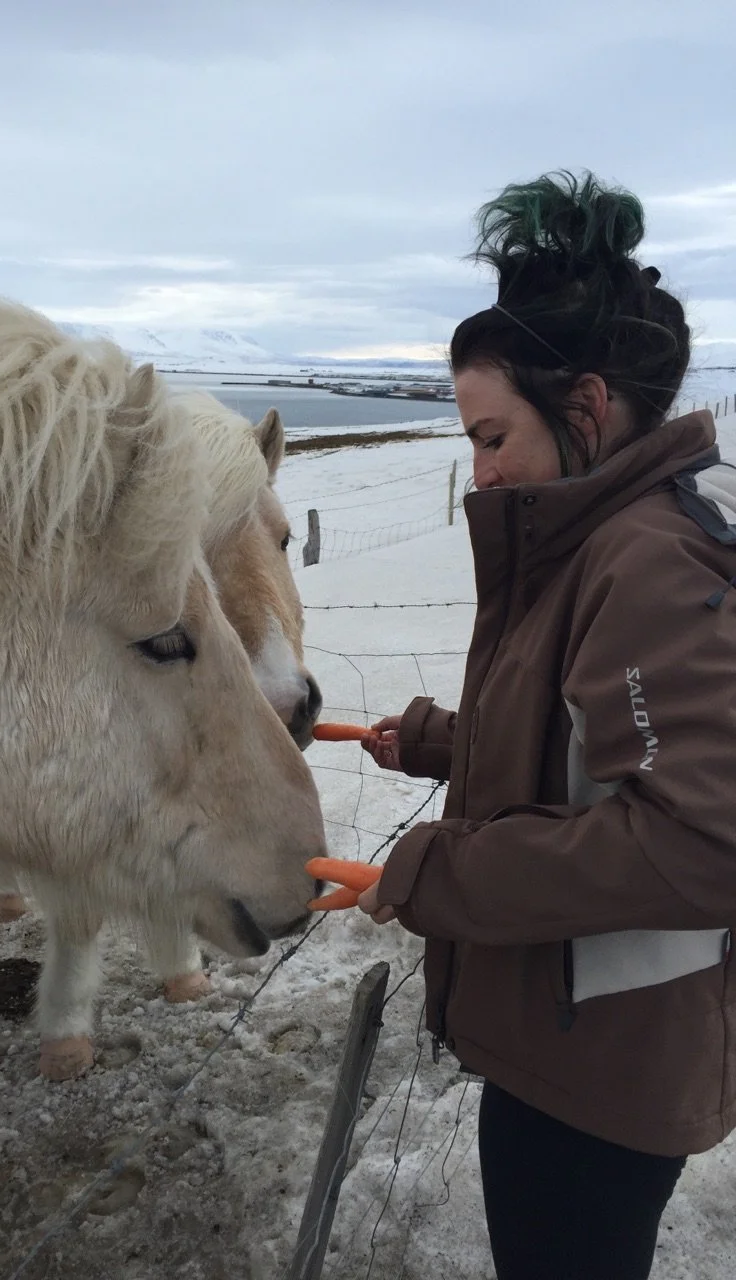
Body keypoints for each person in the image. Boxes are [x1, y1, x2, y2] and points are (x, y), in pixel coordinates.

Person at [355, 170, 736, 1280]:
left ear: (586, 408)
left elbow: (696, 839)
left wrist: (439, 872)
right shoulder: (595, 543)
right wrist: (437, 739)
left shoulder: (647, 562)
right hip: (567, 1037)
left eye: (491, 436)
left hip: (603, 1074)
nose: (477, 473)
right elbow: (594, 743)